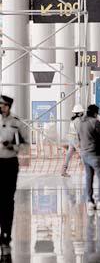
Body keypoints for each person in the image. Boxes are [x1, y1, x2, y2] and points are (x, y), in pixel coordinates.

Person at [0, 95, 29, 251]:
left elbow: (25, 144)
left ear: (9, 106)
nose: (1, 107)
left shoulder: (16, 123)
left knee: (7, 199)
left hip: (10, 163)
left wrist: (13, 146)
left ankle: (6, 232)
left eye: (3, 105)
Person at [78, 104, 100, 211]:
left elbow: (79, 137)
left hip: (84, 153)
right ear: (95, 113)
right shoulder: (95, 122)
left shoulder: (80, 123)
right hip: (95, 154)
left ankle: (89, 201)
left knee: (89, 177)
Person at [62, 104, 84, 177]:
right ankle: (85, 167)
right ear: (80, 113)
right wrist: (79, 142)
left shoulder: (72, 120)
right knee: (83, 154)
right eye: (82, 112)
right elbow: (79, 132)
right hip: (75, 140)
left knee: (68, 155)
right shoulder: (78, 121)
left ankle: (63, 171)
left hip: (71, 139)